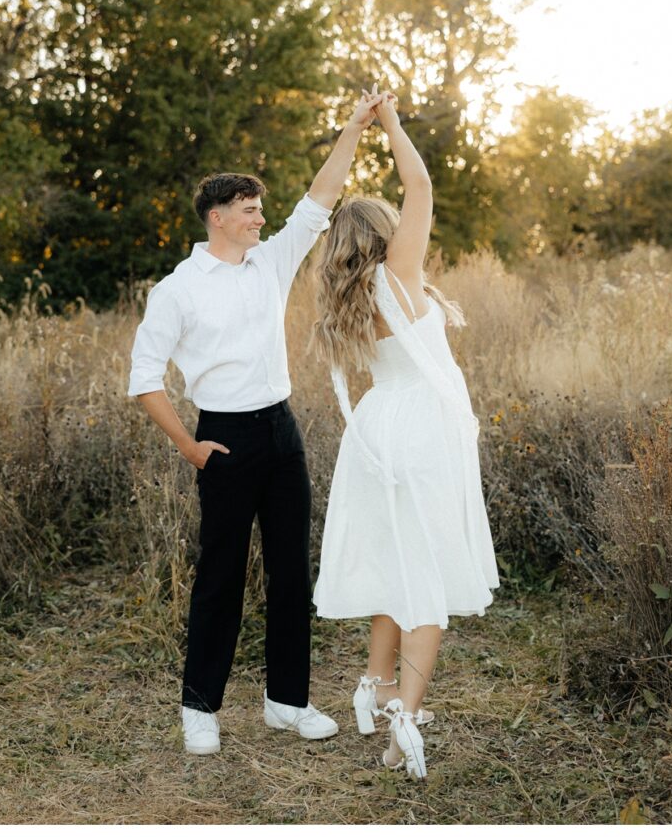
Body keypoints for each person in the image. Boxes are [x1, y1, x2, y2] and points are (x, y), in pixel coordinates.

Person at [129, 90, 387, 756]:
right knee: (220, 575)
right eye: (249, 211)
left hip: (281, 431)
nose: (260, 218)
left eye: (260, 211)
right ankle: (199, 708)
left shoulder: (270, 263)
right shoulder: (177, 289)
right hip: (221, 438)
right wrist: (189, 446)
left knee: (291, 571)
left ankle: (287, 701)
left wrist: (356, 126)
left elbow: (319, 199)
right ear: (217, 217)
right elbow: (144, 379)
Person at [310, 93, 500, 778]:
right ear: (387, 235)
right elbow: (420, 182)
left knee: (397, 563)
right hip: (422, 429)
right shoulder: (401, 274)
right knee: (428, 580)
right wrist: (388, 124)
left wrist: (352, 132)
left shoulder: (347, 299)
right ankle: (405, 724)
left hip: (378, 426)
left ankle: (378, 683)